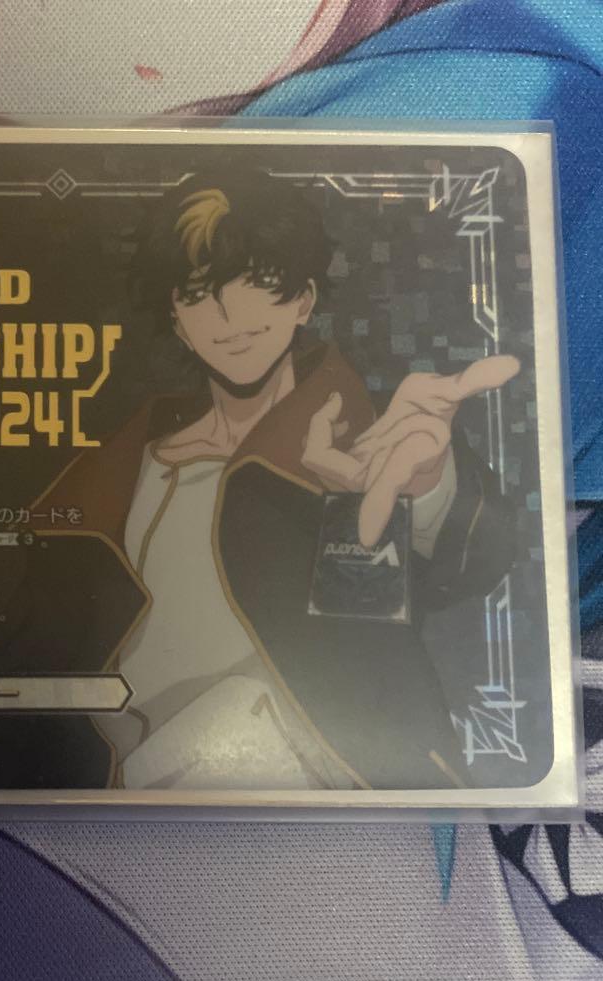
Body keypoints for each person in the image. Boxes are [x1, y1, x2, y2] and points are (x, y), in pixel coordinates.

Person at [30, 171, 518, 790]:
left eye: (258, 283)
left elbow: (468, 564)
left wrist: (425, 486)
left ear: (304, 301)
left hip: (310, 778)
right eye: (199, 292)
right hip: (121, 788)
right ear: (176, 318)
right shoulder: (129, 462)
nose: (229, 316)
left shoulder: (351, 438)